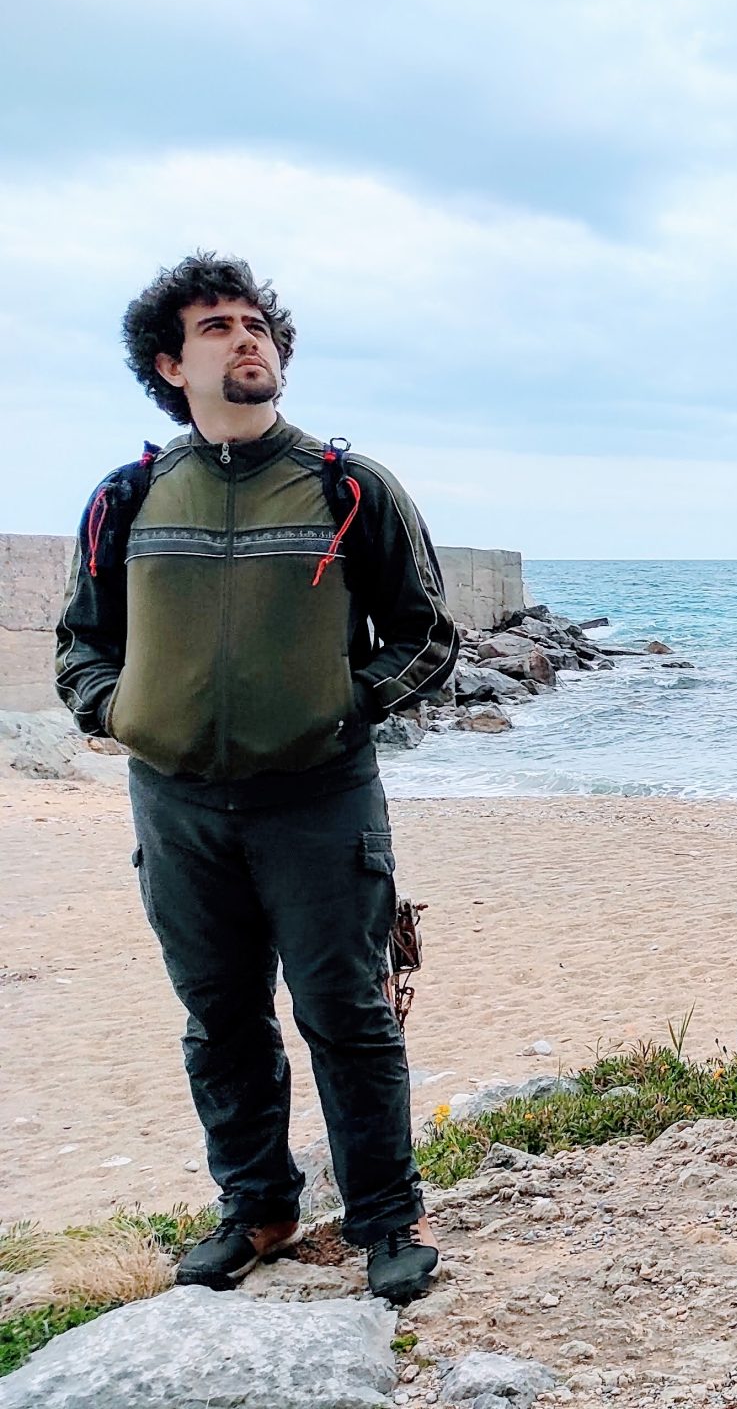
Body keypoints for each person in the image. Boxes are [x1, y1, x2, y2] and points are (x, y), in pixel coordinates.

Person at [56, 255, 459, 1302]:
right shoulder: (131, 496)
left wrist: (341, 707)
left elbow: (426, 635)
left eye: (256, 324)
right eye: (216, 326)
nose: (246, 339)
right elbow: (82, 643)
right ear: (169, 364)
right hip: (177, 806)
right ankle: (259, 1211)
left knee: (348, 1013)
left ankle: (387, 1218)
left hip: (320, 799)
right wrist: (118, 713)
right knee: (221, 1018)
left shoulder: (347, 485)